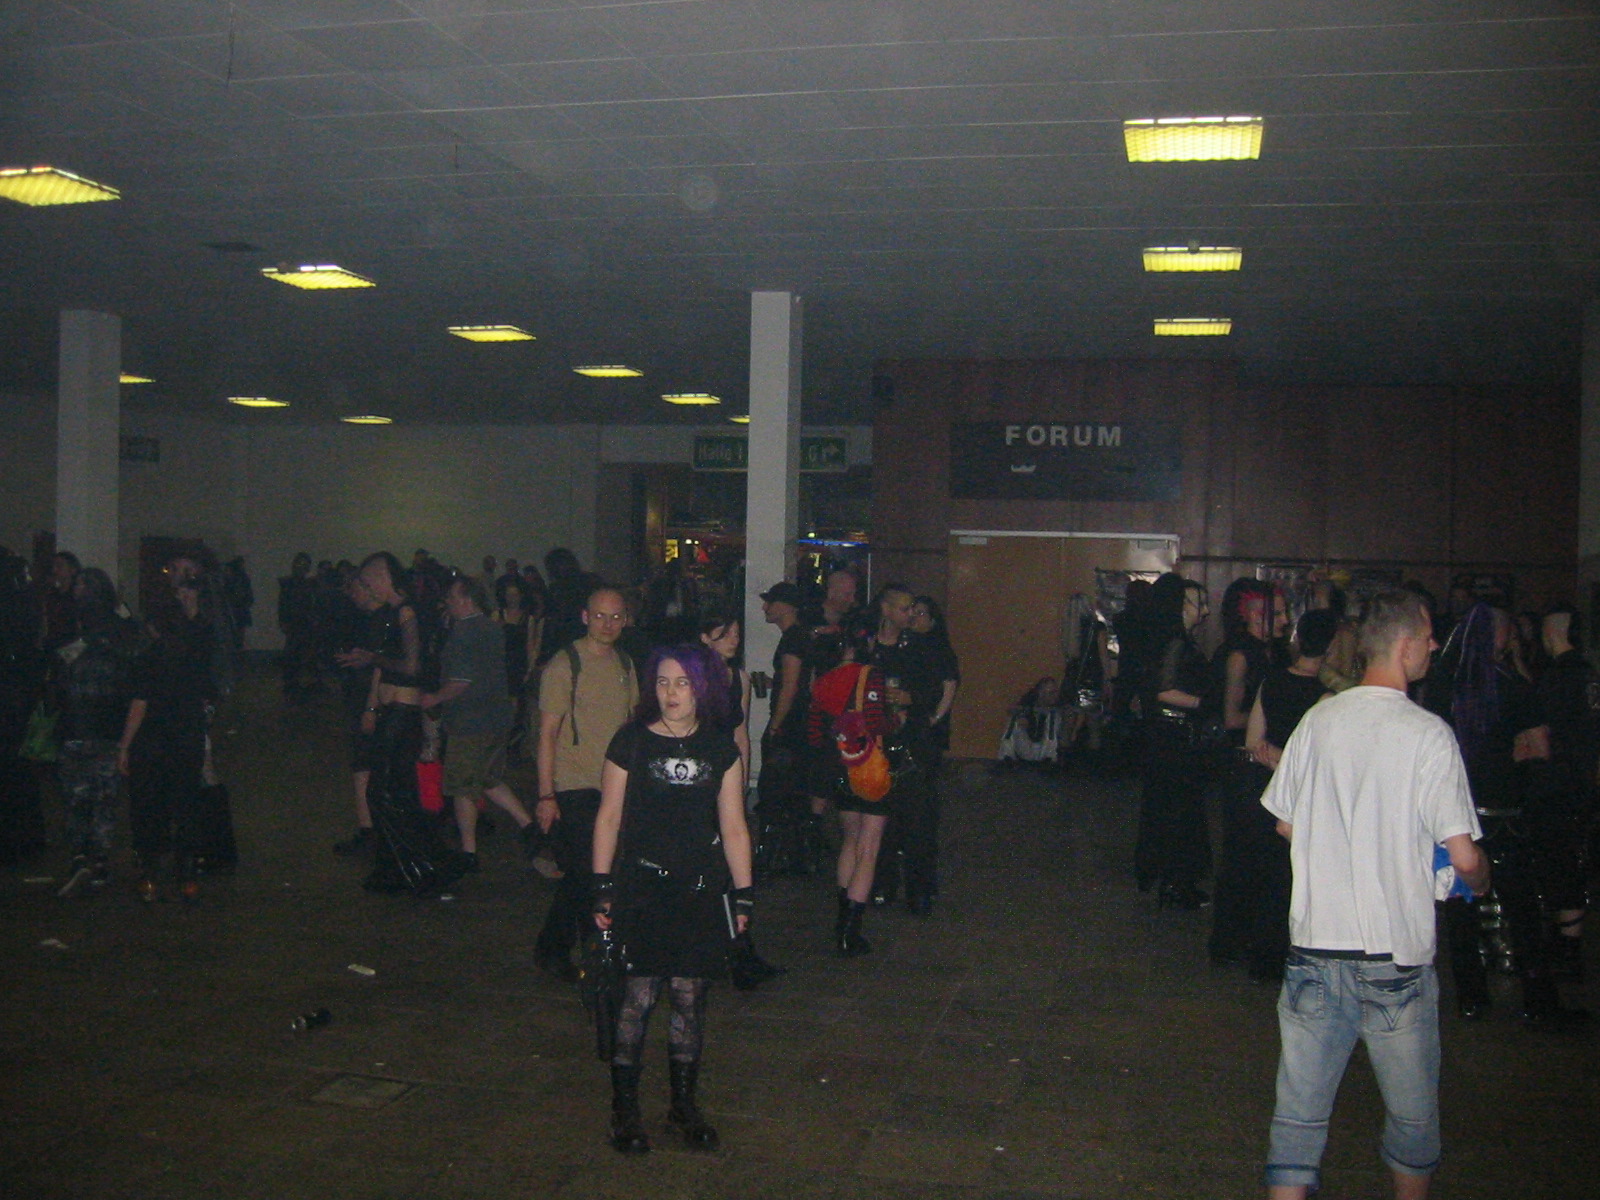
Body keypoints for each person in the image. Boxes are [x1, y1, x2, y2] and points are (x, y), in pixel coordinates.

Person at [1260, 589, 1488, 1200]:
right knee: (1412, 1120)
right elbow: (1464, 855)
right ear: (1406, 646)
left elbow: (1285, 823)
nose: (1435, 645)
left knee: (1298, 1120)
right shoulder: (1428, 734)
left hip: (1315, 952)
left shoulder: (1320, 720)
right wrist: (1480, 881)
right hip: (1395, 960)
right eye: (1429, 635)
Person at [591, 643, 753, 1155]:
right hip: (643, 887)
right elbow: (609, 817)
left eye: (682, 682)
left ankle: (684, 1106)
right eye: (662, 682)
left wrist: (744, 896)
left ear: (702, 688)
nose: (670, 692)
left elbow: (734, 826)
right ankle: (624, 1110)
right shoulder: (632, 741)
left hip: (698, 890)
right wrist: (602, 885)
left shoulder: (719, 748)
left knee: (689, 998)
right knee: (636, 999)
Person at [1222, 609, 1338, 982]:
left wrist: (1275, 758)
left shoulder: (1271, 681)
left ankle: (1242, 948)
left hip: (1261, 788)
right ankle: (1273, 959)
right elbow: (1317, 762)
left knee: (1255, 871)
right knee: (1284, 881)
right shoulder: (1326, 698)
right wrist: (1284, 761)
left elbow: (1253, 742)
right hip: (1295, 797)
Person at [334, 552, 458, 895]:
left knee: (386, 792)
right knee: (388, 792)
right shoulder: (390, 613)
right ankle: (399, 867)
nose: (367, 586)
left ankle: (418, 866)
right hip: (390, 710)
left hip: (404, 713)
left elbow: (413, 667)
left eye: (369, 579)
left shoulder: (407, 612)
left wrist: (373, 658)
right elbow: (382, 668)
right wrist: (372, 706)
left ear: (385, 577)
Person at [533, 586, 638, 979]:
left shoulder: (625, 664)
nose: (608, 625)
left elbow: (633, 725)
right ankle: (576, 949)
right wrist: (546, 794)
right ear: (584, 617)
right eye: (599, 616)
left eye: (616, 617)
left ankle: (572, 947)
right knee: (585, 869)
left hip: (614, 784)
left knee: (596, 870)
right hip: (574, 782)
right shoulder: (565, 665)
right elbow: (547, 734)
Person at [421, 575, 539, 871]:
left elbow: (461, 681)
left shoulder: (463, 632)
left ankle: (469, 852)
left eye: (451, 597)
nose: (447, 602)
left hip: (470, 720)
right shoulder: (492, 626)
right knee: (488, 778)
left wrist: (434, 698)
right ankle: (530, 827)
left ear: (466, 599)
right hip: (497, 717)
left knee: (463, 786)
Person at [118, 555, 217, 901]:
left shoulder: (160, 650)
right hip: (175, 729)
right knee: (171, 800)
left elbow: (142, 699)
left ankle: (164, 870)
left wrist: (124, 744)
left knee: (163, 801)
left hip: (167, 731)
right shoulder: (186, 639)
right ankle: (172, 871)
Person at [50, 567, 138, 889]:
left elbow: (56, 680)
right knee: (104, 798)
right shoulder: (122, 632)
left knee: (76, 796)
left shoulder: (71, 632)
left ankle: (80, 855)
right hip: (109, 726)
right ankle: (99, 860)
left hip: (75, 724)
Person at [806, 631, 893, 953]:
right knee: (869, 847)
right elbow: (875, 722)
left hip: (838, 769)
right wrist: (896, 721)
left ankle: (841, 917)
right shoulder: (869, 675)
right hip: (866, 770)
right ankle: (850, 931)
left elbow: (815, 734)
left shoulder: (822, 681)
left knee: (850, 841)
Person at [1133, 574, 1212, 909]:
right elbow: (1163, 691)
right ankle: (1175, 884)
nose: (1205, 611)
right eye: (1199, 603)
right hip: (1174, 739)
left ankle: (1173, 881)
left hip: (1167, 738)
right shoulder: (1175, 641)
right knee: (1178, 813)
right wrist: (1205, 703)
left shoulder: (1170, 638)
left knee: (1171, 811)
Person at [865, 584, 944, 914]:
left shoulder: (921, 647)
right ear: (886, 609)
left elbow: (936, 690)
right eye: (904, 608)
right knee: (878, 819)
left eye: (913, 608)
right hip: (874, 744)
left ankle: (919, 890)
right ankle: (881, 884)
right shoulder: (867, 646)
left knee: (917, 821)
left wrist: (912, 699)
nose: (911, 614)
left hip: (912, 744)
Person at [1535, 604, 1599, 981]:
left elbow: (1542, 732)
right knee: (1574, 864)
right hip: (1584, 783)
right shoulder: (1588, 672)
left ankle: (1566, 950)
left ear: (1552, 633)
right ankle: (1568, 945)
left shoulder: (1558, 676)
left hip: (1559, 785)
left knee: (1560, 866)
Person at [754, 581, 817, 874]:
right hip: (801, 724)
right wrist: (772, 682)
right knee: (793, 790)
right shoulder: (800, 637)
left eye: (771, 602)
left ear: (787, 607)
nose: (765, 607)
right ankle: (797, 856)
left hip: (789, 727)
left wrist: (775, 726)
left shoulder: (793, 639)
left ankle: (775, 856)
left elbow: (791, 687)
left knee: (775, 790)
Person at [331, 570, 384, 856]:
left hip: (371, 700)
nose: (351, 595)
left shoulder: (381, 621)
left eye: (355, 589)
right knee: (363, 764)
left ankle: (371, 830)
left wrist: (370, 707)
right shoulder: (364, 619)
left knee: (365, 764)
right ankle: (370, 828)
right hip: (363, 696)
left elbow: (380, 665)